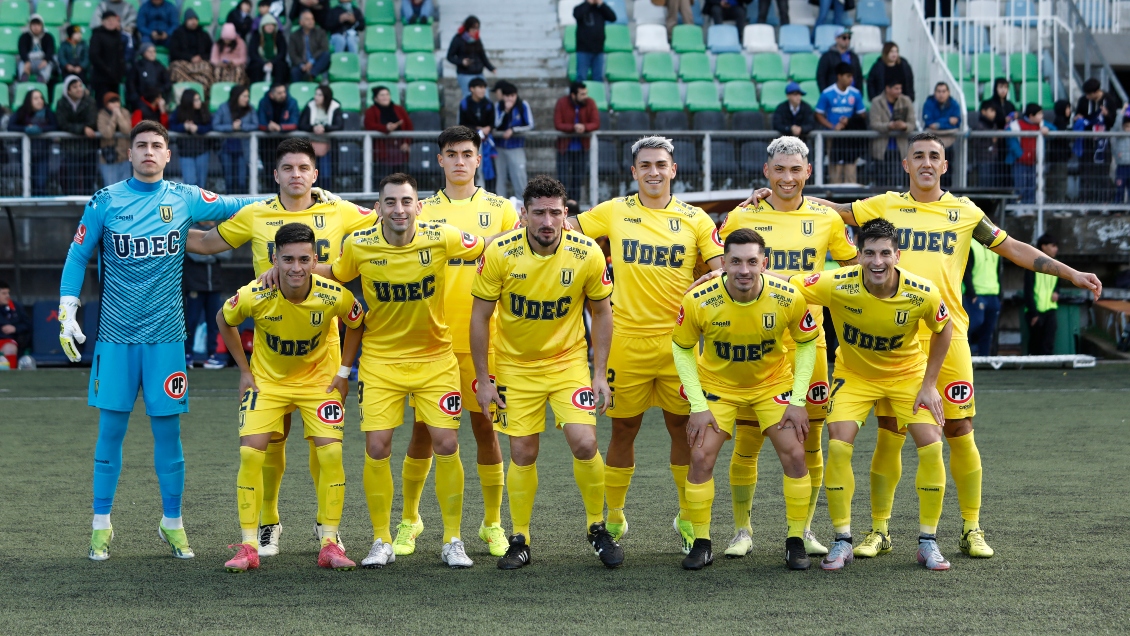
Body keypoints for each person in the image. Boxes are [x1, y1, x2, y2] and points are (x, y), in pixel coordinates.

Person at [737, 130, 1104, 561]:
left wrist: (1070, 273)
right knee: (890, 435)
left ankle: (971, 527)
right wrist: (767, 196)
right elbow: (821, 210)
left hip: (949, 336)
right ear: (906, 164)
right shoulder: (885, 204)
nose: (927, 162)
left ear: (945, 166)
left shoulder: (964, 212)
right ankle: (879, 530)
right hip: (896, 341)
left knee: (959, 431)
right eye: (918, 156)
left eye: (935, 156)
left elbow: (1015, 249)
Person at [59, 120, 262, 561]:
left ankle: (172, 524)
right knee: (110, 432)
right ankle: (100, 527)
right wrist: (67, 307)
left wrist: (291, 200)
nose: (149, 151)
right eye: (141, 145)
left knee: (168, 435)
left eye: (157, 146)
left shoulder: (184, 197)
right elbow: (78, 253)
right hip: (115, 339)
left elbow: (236, 206)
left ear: (168, 156)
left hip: (167, 340)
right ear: (128, 154)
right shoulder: (105, 201)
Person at [187, 137, 374, 557]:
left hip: (320, 354)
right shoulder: (255, 214)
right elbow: (203, 244)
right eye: (287, 168)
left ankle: (328, 530)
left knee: (323, 445)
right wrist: (155, 223)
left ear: (315, 174)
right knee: (270, 442)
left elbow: (387, 224)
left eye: (303, 168)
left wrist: (320, 271)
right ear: (275, 175)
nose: (295, 175)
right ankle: (267, 525)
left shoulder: (339, 209)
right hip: (270, 348)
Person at [568, 136, 725, 553]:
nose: (653, 171)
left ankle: (687, 517)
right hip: (626, 341)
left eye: (661, 164)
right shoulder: (614, 211)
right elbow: (567, 228)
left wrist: (710, 278)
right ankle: (615, 514)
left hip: (680, 345)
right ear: (633, 172)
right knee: (624, 429)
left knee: (683, 430)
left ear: (674, 170)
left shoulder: (695, 219)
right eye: (645, 165)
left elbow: (721, 269)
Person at [328, 172, 487, 570]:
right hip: (381, 362)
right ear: (378, 208)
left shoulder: (442, 236)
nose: (399, 209)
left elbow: (488, 249)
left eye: (406, 202)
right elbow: (335, 273)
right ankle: (381, 539)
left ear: (419, 206)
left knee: (446, 444)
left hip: (436, 361)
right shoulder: (359, 245)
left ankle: (453, 539)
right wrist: (283, 270)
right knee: (377, 446)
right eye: (391, 202)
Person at [713, 136, 857, 559]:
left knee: (808, 439)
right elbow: (718, 261)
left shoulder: (826, 219)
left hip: (808, 345)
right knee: (748, 440)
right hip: (752, 344)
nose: (788, 178)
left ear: (807, 172)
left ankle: (805, 529)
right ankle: (742, 531)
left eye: (796, 170)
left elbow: (852, 265)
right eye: (780, 170)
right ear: (766, 173)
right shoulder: (744, 214)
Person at [469, 175, 621, 570]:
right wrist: (484, 380)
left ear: (566, 213)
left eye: (555, 212)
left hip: (567, 363)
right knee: (522, 451)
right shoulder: (500, 252)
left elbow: (602, 312)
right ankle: (520, 538)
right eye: (539, 213)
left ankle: (596, 528)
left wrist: (599, 373)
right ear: (524, 215)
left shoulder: (587, 252)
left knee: (585, 443)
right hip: (514, 367)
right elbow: (480, 317)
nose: (547, 221)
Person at [793, 218, 955, 571]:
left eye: (885, 253)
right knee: (837, 443)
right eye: (869, 253)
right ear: (858, 255)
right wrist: (725, 278)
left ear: (897, 255)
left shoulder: (922, 291)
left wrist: (929, 383)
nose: (877, 261)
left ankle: (928, 542)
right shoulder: (836, 283)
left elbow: (944, 328)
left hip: (907, 375)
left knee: (931, 444)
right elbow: (785, 286)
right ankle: (842, 541)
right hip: (855, 375)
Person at [217, 222, 365, 572]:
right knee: (250, 453)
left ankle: (329, 541)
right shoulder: (255, 293)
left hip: (319, 385)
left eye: (303, 259)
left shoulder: (334, 294)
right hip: (268, 383)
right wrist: (244, 371)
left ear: (315, 260)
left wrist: (343, 373)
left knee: (330, 452)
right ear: (274, 260)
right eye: (287, 259)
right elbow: (225, 320)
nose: (296, 267)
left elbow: (357, 322)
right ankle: (249, 545)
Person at [401, 126, 520, 559]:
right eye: (450, 154)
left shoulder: (502, 209)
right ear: (439, 160)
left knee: (485, 428)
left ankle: (492, 523)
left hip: (484, 341)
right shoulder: (420, 208)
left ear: (478, 159)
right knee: (423, 432)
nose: (458, 161)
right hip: (430, 338)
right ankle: (410, 520)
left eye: (466, 153)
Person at [673, 228, 816, 570]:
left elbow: (807, 342)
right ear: (722, 263)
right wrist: (698, 405)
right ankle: (703, 542)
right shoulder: (698, 300)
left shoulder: (788, 296)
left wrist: (798, 400)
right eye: (735, 261)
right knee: (700, 456)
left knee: (796, 453)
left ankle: (795, 541)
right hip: (718, 385)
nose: (743, 270)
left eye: (752, 261)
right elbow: (681, 348)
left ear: (764, 263)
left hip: (771, 384)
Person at [182, 221, 228, 369]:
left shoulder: (218, 231)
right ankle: (187, 355)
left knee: (214, 321)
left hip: (214, 286)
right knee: (191, 321)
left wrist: (207, 251)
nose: (212, 220)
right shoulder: (192, 231)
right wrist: (214, 252)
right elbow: (195, 256)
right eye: (209, 217)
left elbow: (227, 253)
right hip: (195, 286)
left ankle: (212, 355)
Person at [815, 62, 867, 184]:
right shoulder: (827, 93)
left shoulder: (855, 93)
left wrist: (849, 122)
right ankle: (834, 201)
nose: (851, 79)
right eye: (848, 76)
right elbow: (818, 114)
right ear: (839, 76)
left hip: (850, 137)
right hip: (833, 137)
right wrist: (832, 127)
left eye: (852, 76)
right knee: (835, 170)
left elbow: (862, 114)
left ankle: (851, 201)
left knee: (850, 169)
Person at [1075, 78, 1122, 202]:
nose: (1087, 97)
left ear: (1096, 92)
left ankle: (1104, 202)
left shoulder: (1109, 100)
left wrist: (1106, 115)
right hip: (1087, 141)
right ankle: (1085, 202)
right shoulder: (1083, 100)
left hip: (1102, 143)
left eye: (1089, 94)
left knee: (1102, 173)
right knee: (1086, 172)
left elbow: (1112, 122)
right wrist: (1078, 118)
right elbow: (1078, 115)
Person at [554, 81, 599, 200]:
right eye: (582, 94)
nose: (585, 96)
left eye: (586, 93)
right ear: (573, 95)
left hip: (582, 148)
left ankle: (575, 206)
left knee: (577, 180)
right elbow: (558, 124)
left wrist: (584, 127)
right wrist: (573, 128)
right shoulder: (562, 103)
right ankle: (562, 205)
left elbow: (596, 123)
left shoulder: (590, 103)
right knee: (562, 180)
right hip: (564, 148)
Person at [56, 75, 100, 195]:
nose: (79, 89)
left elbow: (92, 121)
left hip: (89, 148)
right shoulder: (61, 103)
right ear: (68, 90)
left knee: (89, 180)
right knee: (71, 179)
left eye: (80, 86)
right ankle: (72, 206)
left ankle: (89, 207)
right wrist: (83, 128)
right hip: (70, 148)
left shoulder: (90, 101)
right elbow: (62, 123)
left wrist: (82, 127)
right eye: (75, 87)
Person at [7, 89, 56, 195]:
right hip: (25, 154)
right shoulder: (22, 111)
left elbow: (55, 126)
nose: (40, 101)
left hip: (42, 154)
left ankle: (41, 208)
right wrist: (25, 128)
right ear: (29, 100)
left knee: (41, 182)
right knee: (29, 181)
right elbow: (10, 126)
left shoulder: (48, 112)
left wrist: (40, 129)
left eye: (41, 98)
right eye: (36, 98)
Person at [868, 80, 916, 186]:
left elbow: (912, 123)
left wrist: (904, 126)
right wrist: (889, 126)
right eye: (896, 88)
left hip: (900, 150)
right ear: (887, 88)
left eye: (900, 88)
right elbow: (874, 123)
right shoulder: (876, 102)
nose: (899, 91)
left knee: (897, 183)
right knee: (881, 183)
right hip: (881, 150)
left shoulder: (906, 101)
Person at [212, 84, 258, 194]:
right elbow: (215, 125)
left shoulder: (250, 109)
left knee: (241, 181)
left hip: (243, 150)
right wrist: (231, 127)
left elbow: (255, 124)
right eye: (244, 96)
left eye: (248, 96)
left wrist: (242, 126)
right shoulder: (223, 107)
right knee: (229, 180)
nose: (247, 99)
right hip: (226, 149)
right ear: (237, 96)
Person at [1006, 103, 1053, 204]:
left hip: (1034, 161)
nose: (1042, 116)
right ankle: (1018, 207)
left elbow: (1054, 129)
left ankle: (1029, 206)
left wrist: (1048, 129)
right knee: (1020, 185)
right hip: (1019, 162)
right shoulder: (1016, 125)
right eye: (1039, 114)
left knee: (1032, 185)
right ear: (1031, 116)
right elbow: (1011, 140)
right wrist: (1020, 155)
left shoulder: (1041, 124)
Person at [299, 85, 344, 189]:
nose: (316, 97)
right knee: (310, 174)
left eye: (319, 95)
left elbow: (339, 125)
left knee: (325, 174)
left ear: (326, 96)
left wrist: (325, 128)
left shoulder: (335, 106)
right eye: (315, 94)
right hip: (310, 146)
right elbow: (301, 124)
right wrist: (312, 128)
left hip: (328, 146)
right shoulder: (310, 105)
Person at [493, 82, 534, 198]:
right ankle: (500, 203)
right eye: (507, 96)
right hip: (500, 147)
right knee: (500, 177)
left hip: (516, 146)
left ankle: (522, 204)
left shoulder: (523, 105)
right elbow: (495, 124)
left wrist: (514, 129)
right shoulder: (498, 106)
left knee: (519, 176)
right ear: (503, 96)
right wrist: (505, 112)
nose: (510, 99)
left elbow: (530, 125)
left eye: (512, 96)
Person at [167, 89, 213, 189]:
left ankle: (200, 204)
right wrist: (184, 127)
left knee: (201, 183)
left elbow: (210, 125)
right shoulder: (179, 111)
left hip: (202, 150)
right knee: (190, 183)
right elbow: (171, 125)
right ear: (189, 101)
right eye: (195, 100)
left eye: (199, 99)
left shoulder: (203, 110)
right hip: (186, 152)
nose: (199, 102)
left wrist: (198, 129)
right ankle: (191, 204)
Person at [963, 240, 1001, 356]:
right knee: (972, 326)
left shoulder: (997, 247)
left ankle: (984, 360)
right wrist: (972, 294)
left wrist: (999, 296)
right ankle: (965, 357)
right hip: (977, 295)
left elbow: (999, 273)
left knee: (988, 331)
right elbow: (966, 271)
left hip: (993, 294)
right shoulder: (971, 245)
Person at [1024, 233, 1060, 355]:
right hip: (1036, 311)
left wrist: (1056, 292)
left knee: (1049, 342)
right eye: (1053, 245)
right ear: (1043, 247)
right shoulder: (1032, 264)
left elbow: (1057, 284)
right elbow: (1028, 290)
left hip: (1050, 309)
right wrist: (1033, 313)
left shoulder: (1056, 264)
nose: (1056, 249)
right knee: (1036, 343)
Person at [363, 85, 413, 170]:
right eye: (382, 95)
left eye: (387, 94)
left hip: (400, 152)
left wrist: (406, 142)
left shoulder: (399, 109)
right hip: (381, 153)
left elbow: (409, 127)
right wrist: (385, 128)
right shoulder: (370, 111)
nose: (385, 97)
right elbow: (369, 125)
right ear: (375, 98)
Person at [168, 9, 214, 97]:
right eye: (190, 19)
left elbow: (211, 52)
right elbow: (174, 52)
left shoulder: (204, 34)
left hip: (200, 63)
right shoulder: (178, 33)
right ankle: (184, 95)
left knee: (208, 69)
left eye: (195, 19)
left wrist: (201, 57)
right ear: (185, 21)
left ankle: (201, 96)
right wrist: (189, 58)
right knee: (175, 69)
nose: (193, 22)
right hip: (183, 63)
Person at [447, 16, 495, 98]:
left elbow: (482, 56)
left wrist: (491, 68)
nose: (475, 31)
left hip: (479, 73)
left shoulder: (477, 40)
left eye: (477, 29)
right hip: (465, 73)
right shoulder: (458, 39)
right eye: (473, 29)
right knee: (469, 97)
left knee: (485, 96)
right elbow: (449, 56)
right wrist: (461, 62)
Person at [573, 0, 617, 83]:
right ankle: (579, 95)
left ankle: (596, 95)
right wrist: (589, 3)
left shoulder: (600, 9)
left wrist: (601, 4)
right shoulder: (579, 8)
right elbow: (577, 15)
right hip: (583, 49)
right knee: (581, 77)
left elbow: (613, 17)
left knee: (598, 78)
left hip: (598, 50)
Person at [89, 12, 127, 104]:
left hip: (115, 78)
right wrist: (107, 69)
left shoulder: (118, 35)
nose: (111, 22)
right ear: (102, 22)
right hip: (101, 78)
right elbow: (94, 56)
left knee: (115, 104)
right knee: (102, 105)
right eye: (108, 20)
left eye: (113, 20)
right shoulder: (97, 35)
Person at [97, 92, 133, 187]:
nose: (115, 104)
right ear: (106, 104)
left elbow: (126, 130)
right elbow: (107, 133)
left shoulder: (125, 112)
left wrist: (119, 116)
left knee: (125, 187)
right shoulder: (102, 115)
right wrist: (113, 117)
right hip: (109, 157)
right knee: (111, 187)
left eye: (116, 101)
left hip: (124, 156)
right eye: (111, 102)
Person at [288, 9, 331, 82]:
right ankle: (298, 91)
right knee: (294, 71)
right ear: (301, 22)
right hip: (302, 64)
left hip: (316, 62)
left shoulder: (321, 33)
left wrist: (311, 62)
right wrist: (302, 65)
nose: (311, 21)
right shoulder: (294, 36)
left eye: (312, 19)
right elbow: (293, 54)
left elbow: (324, 48)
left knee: (326, 55)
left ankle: (311, 75)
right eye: (307, 19)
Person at [816, 28, 863, 92]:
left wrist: (860, 93)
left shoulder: (854, 56)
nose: (847, 40)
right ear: (836, 39)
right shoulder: (827, 56)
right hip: (834, 95)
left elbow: (858, 76)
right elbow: (821, 77)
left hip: (852, 94)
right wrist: (825, 94)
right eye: (844, 38)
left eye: (849, 38)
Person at [968, 100, 1002, 188]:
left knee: (992, 183)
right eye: (991, 111)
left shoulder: (992, 125)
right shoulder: (979, 125)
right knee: (984, 184)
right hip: (983, 159)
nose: (994, 114)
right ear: (983, 111)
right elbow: (976, 142)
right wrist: (991, 140)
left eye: (994, 111)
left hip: (992, 159)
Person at [249, 13, 289, 86]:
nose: (270, 27)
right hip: (260, 61)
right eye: (268, 25)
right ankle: (256, 88)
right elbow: (253, 53)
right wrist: (263, 63)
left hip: (275, 61)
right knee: (255, 67)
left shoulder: (279, 36)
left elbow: (282, 53)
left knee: (281, 66)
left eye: (272, 25)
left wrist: (272, 62)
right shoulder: (256, 36)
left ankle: (278, 88)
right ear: (263, 26)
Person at [128, 44, 172, 108]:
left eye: (154, 51)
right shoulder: (137, 66)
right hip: (141, 99)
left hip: (157, 98)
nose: (152, 54)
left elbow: (167, 82)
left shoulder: (159, 66)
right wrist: (135, 97)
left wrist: (160, 91)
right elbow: (131, 83)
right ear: (143, 53)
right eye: (149, 52)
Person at [0, 281, 31, 368]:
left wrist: (15, 328)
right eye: (3, 293)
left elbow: (28, 325)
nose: (7, 296)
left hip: (10, 340)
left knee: (10, 348)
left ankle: (11, 374)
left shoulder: (17, 307)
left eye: (8, 293)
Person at [1047, 100, 1073, 202]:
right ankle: (1059, 204)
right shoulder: (1060, 121)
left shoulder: (1062, 121)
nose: (1069, 111)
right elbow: (1062, 139)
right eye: (1067, 108)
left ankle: (1058, 202)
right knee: (1060, 180)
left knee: (1059, 179)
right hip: (1059, 157)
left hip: (1060, 156)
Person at [18, 14, 55, 84]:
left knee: (49, 64)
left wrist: (46, 60)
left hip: (42, 61)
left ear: (42, 26)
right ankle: (23, 79)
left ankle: (42, 79)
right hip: (29, 61)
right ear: (30, 26)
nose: (36, 27)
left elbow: (50, 50)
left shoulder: (48, 37)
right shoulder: (24, 37)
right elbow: (22, 50)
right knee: (22, 64)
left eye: (38, 25)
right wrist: (26, 61)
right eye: (33, 25)